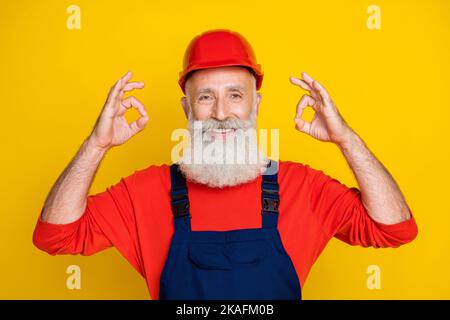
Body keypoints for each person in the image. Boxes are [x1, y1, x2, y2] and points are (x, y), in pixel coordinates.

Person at [32, 29, 418, 300]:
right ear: (186, 108)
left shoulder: (301, 186)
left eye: (235, 95)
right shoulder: (146, 192)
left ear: (256, 105)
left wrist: (345, 139)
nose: (221, 113)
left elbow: (395, 228)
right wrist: (96, 145)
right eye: (205, 98)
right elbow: (55, 236)